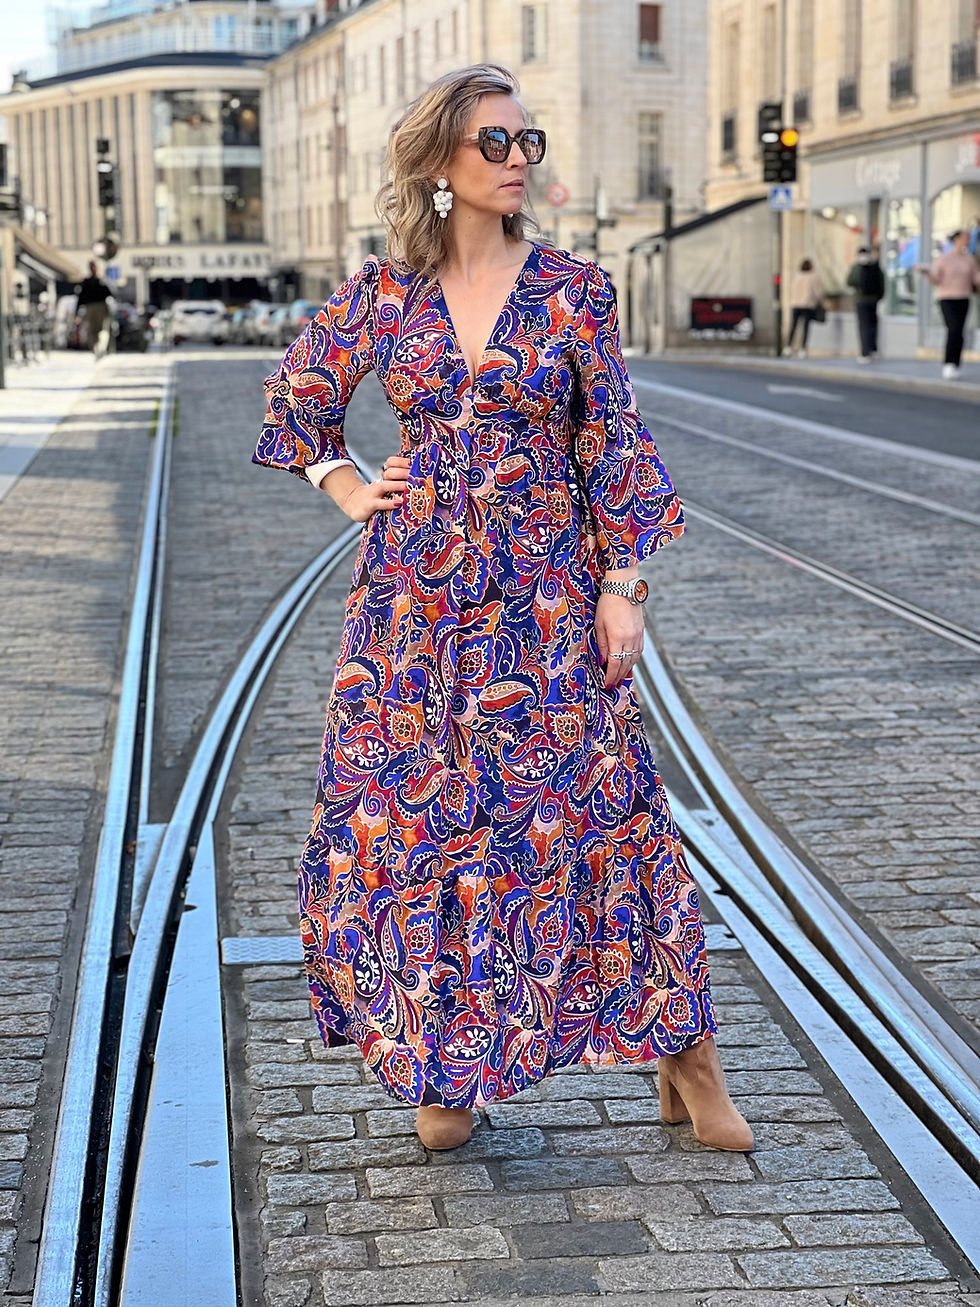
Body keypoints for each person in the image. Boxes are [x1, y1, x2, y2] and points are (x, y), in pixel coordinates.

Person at [253, 63, 753, 1155]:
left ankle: (686, 1053)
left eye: (528, 141)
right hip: (414, 612)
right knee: (417, 824)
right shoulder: (383, 295)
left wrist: (623, 586)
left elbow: (612, 444)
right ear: (440, 161)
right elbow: (296, 401)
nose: (517, 158)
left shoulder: (574, 290)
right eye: (495, 142)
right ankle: (447, 1059)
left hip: (545, 600)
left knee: (599, 811)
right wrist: (346, 485)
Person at [916, 229, 980, 380]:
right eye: (965, 238)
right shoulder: (944, 259)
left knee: (960, 331)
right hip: (947, 298)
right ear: (956, 239)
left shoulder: (969, 259)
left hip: (963, 298)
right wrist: (926, 273)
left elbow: (976, 278)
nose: (968, 240)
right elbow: (936, 279)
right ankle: (948, 363)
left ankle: (956, 363)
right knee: (953, 329)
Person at [846, 246, 885, 363]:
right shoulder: (875, 267)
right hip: (873, 300)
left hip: (861, 300)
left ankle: (865, 353)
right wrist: (879, 297)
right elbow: (882, 283)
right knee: (872, 325)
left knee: (863, 326)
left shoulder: (856, 268)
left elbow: (849, 282)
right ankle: (873, 349)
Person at [784, 258, 822, 357]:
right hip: (807, 304)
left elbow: (792, 290)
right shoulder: (813, 277)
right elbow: (817, 292)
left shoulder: (797, 276)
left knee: (794, 326)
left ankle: (788, 347)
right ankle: (803, 349)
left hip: (796, 304)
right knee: (805, 327)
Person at [74, 260, 112, 358]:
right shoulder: (100, 281)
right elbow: (110, 294)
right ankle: (99, 348)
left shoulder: (89, 282)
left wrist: (76, 312)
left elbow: (80, 298)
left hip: (92, 307)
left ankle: (98, 348)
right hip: (98, 307)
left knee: (94, 331)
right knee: (99, 330)